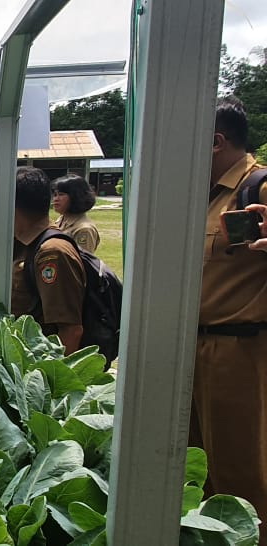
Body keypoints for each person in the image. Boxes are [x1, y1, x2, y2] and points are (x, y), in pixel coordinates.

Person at [191, 95, 267, 537]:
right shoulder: (203, 196)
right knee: (201, 475)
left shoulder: (257, 186)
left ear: (216, 141)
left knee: (243, 476)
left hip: (239, 351)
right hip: (197, 349)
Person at [9, 166, 86, 355]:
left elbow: (71, 330)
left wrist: (50, 381)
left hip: (39, 368)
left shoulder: (52, 253)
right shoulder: (25, 243)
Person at [51, 174, 101, 253]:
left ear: (76, 197)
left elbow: (82, 261)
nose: (56, 199)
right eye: (55, 195)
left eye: (61, 194)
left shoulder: (84, 229)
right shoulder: (62, 219)